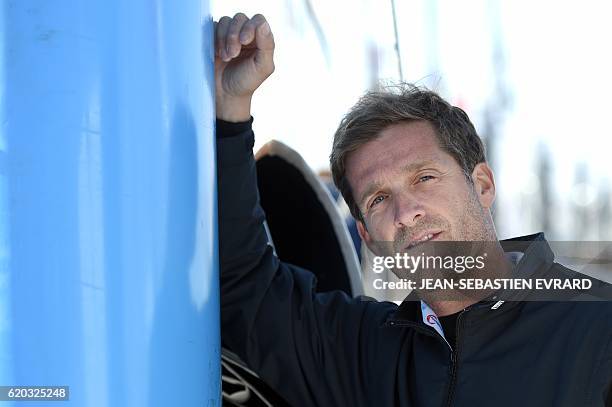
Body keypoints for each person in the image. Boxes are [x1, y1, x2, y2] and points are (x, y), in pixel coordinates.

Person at [215, 13, 612, 407]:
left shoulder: (598, 329)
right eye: (379, 199)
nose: (406, 212)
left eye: (424, 178)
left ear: (482, 185)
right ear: (368, 237)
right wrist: (231, 109)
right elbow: (243, 285)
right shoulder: (364, 352)